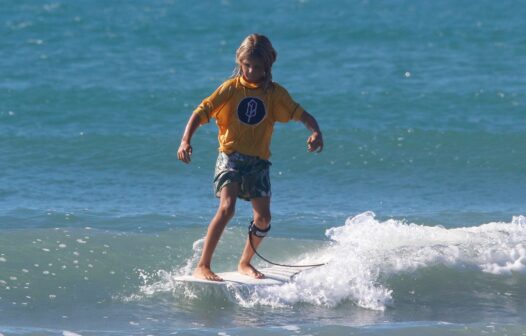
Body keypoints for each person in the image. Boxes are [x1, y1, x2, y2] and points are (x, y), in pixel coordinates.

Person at [177, 33, 323, 281]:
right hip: (230, 156)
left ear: (268, 65)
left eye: (258, 66)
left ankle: (244, 263)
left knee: (263, 218)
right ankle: (203, 265)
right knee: (227, 207)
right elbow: (201, 111)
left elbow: (302, 114)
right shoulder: (231, 89)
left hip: (258, 162)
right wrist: (185, 140)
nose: (252, 71)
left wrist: (316, 131)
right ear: (239, 61)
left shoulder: (275, 94)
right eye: (247, 65)